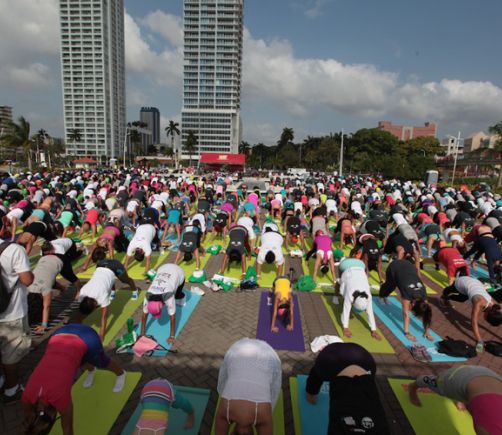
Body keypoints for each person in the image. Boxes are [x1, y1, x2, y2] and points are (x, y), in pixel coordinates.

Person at [21, 324, 126, 435]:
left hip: (86, 336)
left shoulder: (60, 398)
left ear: (53, 416)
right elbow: (29, 416)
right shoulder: (26, 396)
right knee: (76, 358)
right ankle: (91, 370)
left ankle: (121, 373)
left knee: (101, 361)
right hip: (58, 334)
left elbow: (68, 430)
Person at [305, 342, 390, 434]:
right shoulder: (326, 364)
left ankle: (311, 392)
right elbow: (315, 377)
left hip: (363, 360)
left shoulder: (369, 371)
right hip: (355, 359)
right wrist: (311, 392)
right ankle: (311, 392)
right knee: (317, 376)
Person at [408, 365, 502, 435]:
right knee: (434, 382)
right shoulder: (491, 429)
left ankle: (461, 398)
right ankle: (413, 387)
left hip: (488, 376)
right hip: (458, 377)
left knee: (473, 397)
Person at [215, 338, 282, 435]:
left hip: (267, 355)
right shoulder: (225, 413)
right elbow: (224, 380)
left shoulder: (263, 418)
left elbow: (273, 389)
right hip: (238, 351)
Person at [0, 241, 34, 403]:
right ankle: (11, 389)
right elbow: (27, 280)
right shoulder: (14, 250)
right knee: (11, 354)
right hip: (11, 313)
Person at [77, 253, 138, 341]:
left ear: (94, 305)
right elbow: (79, 312)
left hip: (115, 266)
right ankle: (113, 290)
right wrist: (77, 326)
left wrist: (101, 336)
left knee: (125, 280)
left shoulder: (102, 297)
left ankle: (135, 290)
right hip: (101, 264)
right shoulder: (82, 293)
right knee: (107, 279)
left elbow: (104, 317)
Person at [29, 241, 83, 333]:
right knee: (49, 279)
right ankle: (62, 288)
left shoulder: (46, 290)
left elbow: (46, 307)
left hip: (61, 260)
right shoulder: (27, 287)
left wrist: (44, 325)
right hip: (44, 265)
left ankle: (79, 289)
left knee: (70, 277)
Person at [441, 276, 502, 349]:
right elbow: (474, 322)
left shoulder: (495, 306)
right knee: (449, 290)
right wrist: (479, 340)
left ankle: (447, 296)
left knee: (461, 299)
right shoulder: (478, 303)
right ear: (486, 316)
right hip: (462, 282)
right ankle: (444, 297)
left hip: (476, 284)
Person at [379, 259, 433, 341]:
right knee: (390, 285)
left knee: (395, 284)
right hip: (394, 266)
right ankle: (381, 295)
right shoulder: (407, 293)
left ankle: (384, 295)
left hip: (408, 265)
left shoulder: (423, 295)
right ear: (413, 304)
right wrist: (407, 333)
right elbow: (405, 314)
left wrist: (427, 331)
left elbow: (427, 314)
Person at [140, 264, 186, 346]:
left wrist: (171, 336)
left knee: (177, 296)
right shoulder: (148, 295)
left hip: (178, 271)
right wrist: (142, 334)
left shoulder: (168, 296)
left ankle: (181, 296)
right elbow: (144, 315)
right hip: (162, 268)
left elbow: (172, 317)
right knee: (172, 298)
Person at [335, 259, 380, 340]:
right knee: (341, 290)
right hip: (346, 266)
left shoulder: (368, 297)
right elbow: (346, 310)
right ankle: (337, 285)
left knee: (344, 291)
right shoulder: (350, 294)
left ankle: (339, 283)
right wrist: (345, 328)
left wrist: (373, 330)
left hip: (360, 266)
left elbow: (370, 313)